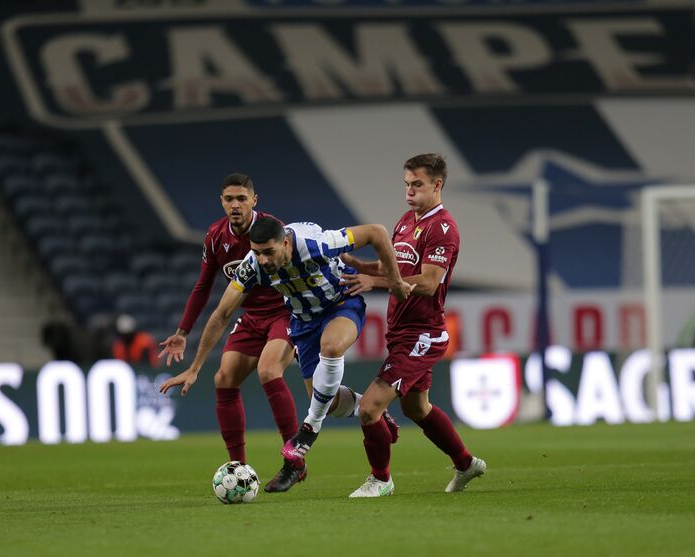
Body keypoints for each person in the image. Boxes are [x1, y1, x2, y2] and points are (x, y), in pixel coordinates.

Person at [159, 216, 411, 480]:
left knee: (331, 346)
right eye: (257, 252)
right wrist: (195, 367)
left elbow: (376, 232)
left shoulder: (316, 243)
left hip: (340, 304)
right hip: (304, 321)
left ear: (286, 243)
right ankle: (367, 406)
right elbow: (222, 314)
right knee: (328, 401)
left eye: (269, 252)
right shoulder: (252, 266)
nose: (263, 260)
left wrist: (394, 281)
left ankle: (308, 431)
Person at [339, 153, 487, 497]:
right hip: (401, 330)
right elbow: (394, 268)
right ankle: (466, 464)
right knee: (416, 408)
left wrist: (374, 283)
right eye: (406, 184)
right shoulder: (406, 221)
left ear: (437, 185)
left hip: (423, 333)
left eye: (417, 184)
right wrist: (359, 265)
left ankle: (380, 480)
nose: (409, 191)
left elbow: (430, 282)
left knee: (369, 408)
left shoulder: (443, 228)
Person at [157, 174, 302, 493]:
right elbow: (203, 286)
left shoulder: (273, 230)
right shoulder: (215, 236)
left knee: (268, 371)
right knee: (223, 378)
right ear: (222, 202)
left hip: (284, 311)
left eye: (241, 199)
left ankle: (294, 461)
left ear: (254, 200)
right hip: (250, 317)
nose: (235, 205)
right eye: (229, 199)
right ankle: (238, 469)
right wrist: (183, 332)